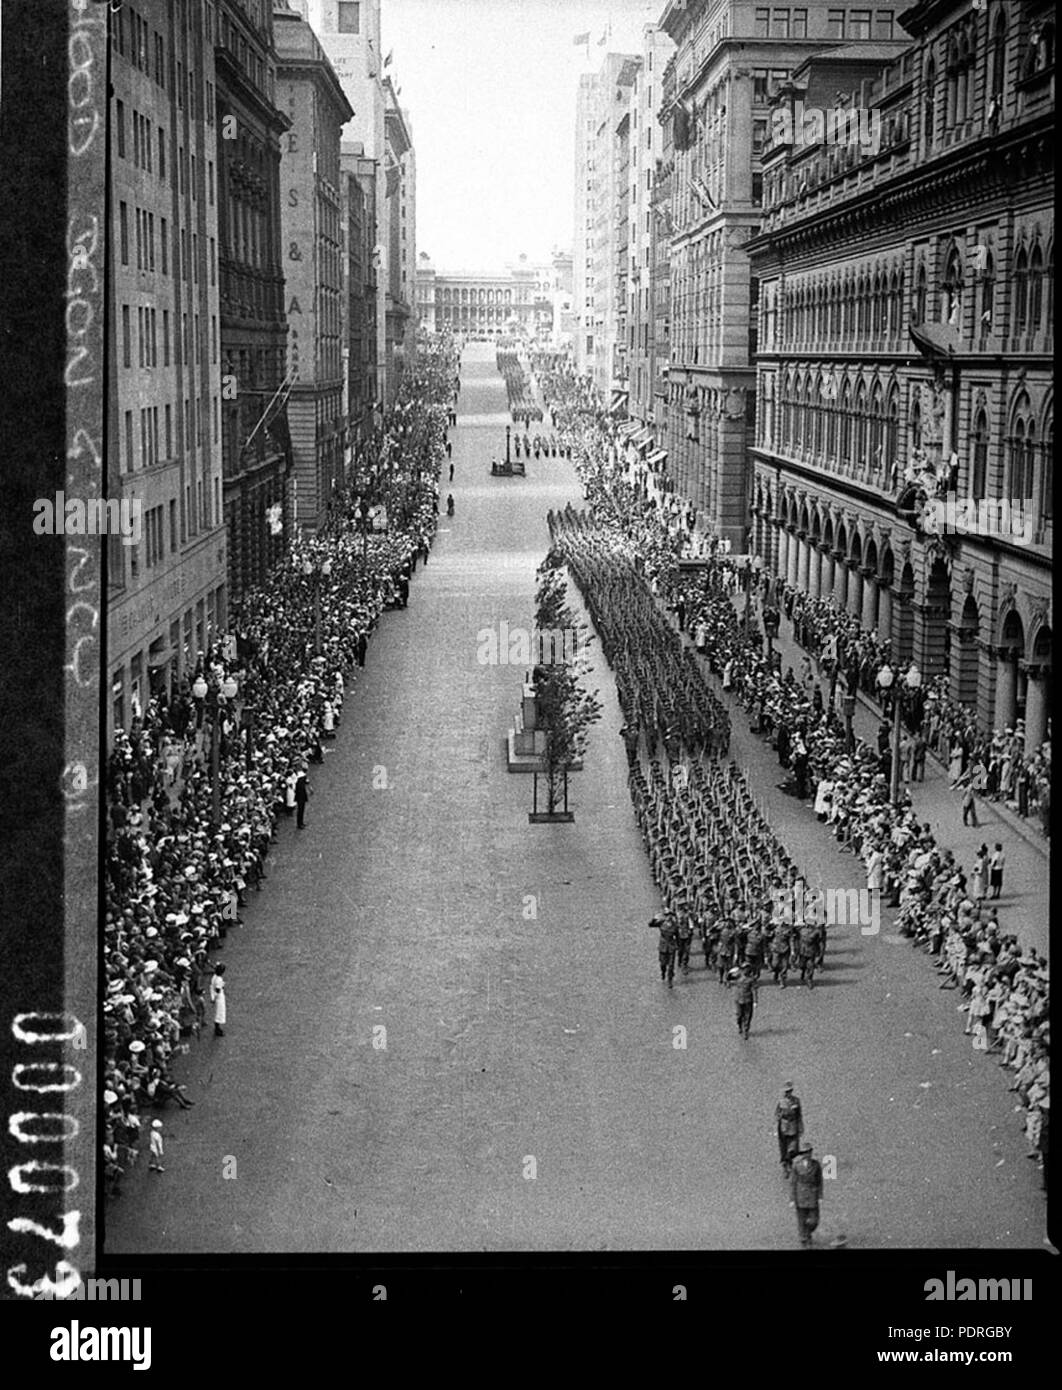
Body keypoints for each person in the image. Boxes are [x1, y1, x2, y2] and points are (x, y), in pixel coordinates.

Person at [790, 1143, 823, 1247]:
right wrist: (792, 1198)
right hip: (801, 1194)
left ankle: (807, 1232)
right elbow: (793, 1182)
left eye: (808, 1152)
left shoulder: (816, 1165)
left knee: (814, 1220)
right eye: (804, 1153)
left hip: (812, 1194)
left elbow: (819, 1181)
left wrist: (820, 1195)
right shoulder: (797, 1165)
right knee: (801, 1219)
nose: (807, 1155)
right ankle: (804, 1238)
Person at [775, 1083, 804, 1177]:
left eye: (790, 1091)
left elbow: (799, 1114)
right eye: (787, 1091)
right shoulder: (781, 1101)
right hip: (784, 1126)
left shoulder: (796, 1101)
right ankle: (785, 1166)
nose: (788, 1093)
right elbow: (776, 1113)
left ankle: (789, 1161)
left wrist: (800, 1126)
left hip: (793, 1125)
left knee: (793, 1148)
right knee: (784, 1147)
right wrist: (780, 1117)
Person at [651, 913, 678, 988]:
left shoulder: (675, 926)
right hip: (663, 946)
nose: (669, 917)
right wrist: (655, 918)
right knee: (663, 964)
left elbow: (677, 936)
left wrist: (677, 946)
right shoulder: (661, 924)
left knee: (671, 965)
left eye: (670, 916)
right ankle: (663, 972)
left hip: (671, 947)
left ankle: (670, 980)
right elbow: (651, 925)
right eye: (667, 916)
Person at [734, 966, 758, 1039]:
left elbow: (754, 990)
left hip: (748, 1000)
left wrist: (755, 1001)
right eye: (744, 969)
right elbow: (729, 977)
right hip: (738, 999)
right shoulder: (738, 976)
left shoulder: (751, 980)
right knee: (739, 1015)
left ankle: (746, 1031)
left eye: (747, 969)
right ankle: (740, 1025)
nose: (745, 971)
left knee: (747, 1016)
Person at [210, 962, 227, 1037]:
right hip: (219, 997)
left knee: (218, 1012)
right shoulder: (219, 979)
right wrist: (214, 998)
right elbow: (218, 990)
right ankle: (217, 1029)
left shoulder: (214, 977)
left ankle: (217, 1028)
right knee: (219, 1013)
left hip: (216, 996)